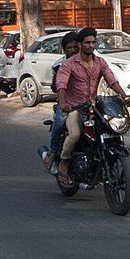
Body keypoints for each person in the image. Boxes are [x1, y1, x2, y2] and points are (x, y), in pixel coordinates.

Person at [54, 28, 128, 189]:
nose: (91, 45)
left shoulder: (100, 62)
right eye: (87, 42)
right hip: (75, 108)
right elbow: (61, 84)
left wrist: (124, 95)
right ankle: (64, 163)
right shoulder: (69, 64)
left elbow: (111, 79)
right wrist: (62, 103)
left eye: (93, 42)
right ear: (80, 44)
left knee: (110, 130)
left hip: (94, 107)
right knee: (74, 134)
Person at [40, 31, 85, 169]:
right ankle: (53, 153)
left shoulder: (88, 60)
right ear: (65, 49)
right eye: (69, 48)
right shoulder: (59, 64)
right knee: (59, 122)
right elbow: (56, 87)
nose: (72, 50)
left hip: (86, 102)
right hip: (67, 103)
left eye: (74, 47)